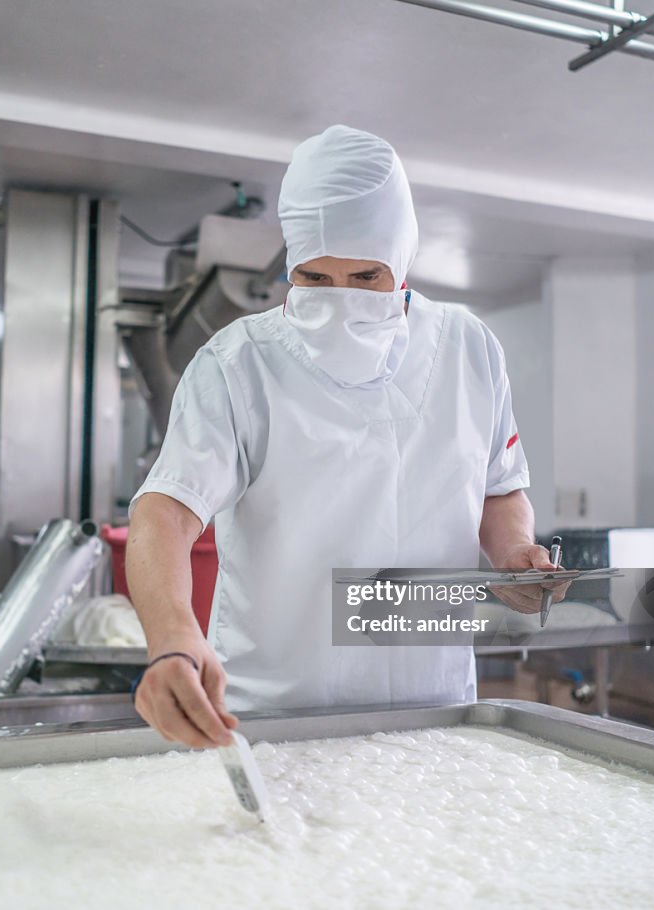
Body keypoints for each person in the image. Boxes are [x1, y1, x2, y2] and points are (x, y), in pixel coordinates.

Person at [126, 124, 563, 749]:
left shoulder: (469, 348)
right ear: (289, 265)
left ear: (403, 263)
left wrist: (517, 555)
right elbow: (165, 511)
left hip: (434, 709)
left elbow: (497, 488)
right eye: (313, 278)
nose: (341, 302)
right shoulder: (239, 363)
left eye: (364, 277)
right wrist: (173, 637)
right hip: (278, 716)